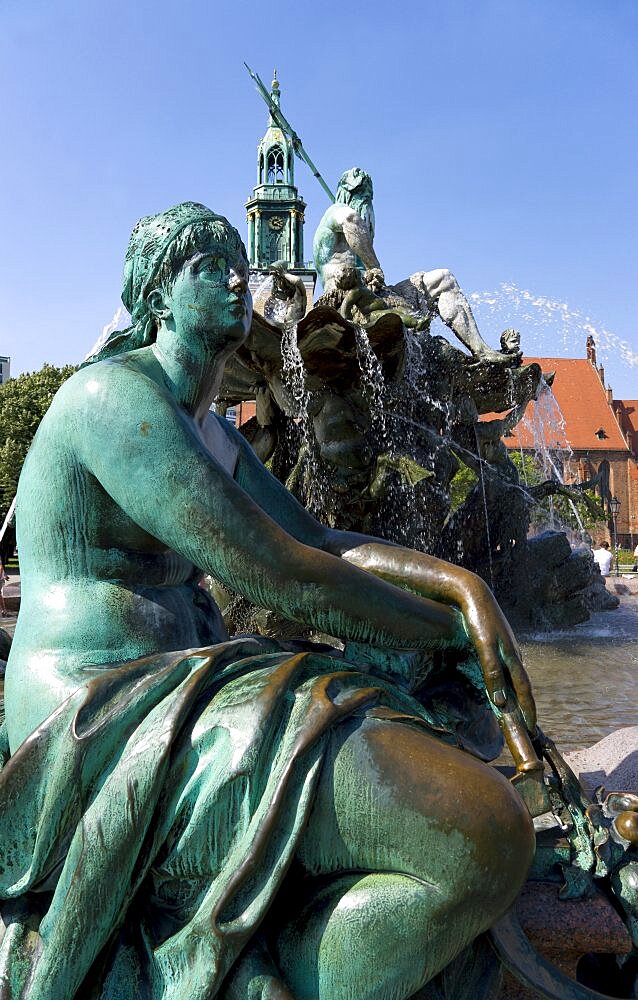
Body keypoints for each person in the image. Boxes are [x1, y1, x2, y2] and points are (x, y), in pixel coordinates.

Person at [0, 202, 537, 1000]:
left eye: (233, 260)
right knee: (483, 837)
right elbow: (276, 574)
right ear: (156, 299)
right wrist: (447, 635)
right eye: (203, 266)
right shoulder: (113, 400)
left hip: (188, 688)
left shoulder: (204, 426)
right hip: (93, 715)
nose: (231, 275)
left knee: (434, 737)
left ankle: (280, 952)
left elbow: (318, 540)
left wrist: (465, 588)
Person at [312, 167, 522, 365]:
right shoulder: (336, 211)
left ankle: (481, 350)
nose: (365, 202)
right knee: (405, 317)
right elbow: (350, 219)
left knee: (444, 278)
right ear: (346, 193)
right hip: (346, 300)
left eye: (368, 197)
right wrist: (373, 266)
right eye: (360, 195)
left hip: (376, 296)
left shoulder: (362, 233)